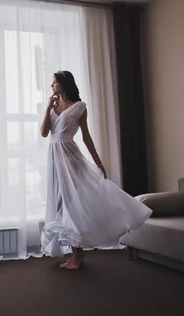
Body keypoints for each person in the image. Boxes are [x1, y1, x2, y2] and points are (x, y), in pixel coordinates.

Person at [40, 70, 152, 270]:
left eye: (54, 82)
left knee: (72, 203)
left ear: (64, 84)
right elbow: (44, 133)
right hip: (54, 157)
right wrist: (48, 106)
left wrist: (98, 163)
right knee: (60, 204)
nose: (52, 86)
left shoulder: (79, 107)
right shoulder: (54, 107)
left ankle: (78, 254)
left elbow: (86, 137)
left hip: (69, 156)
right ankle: (75, 253)